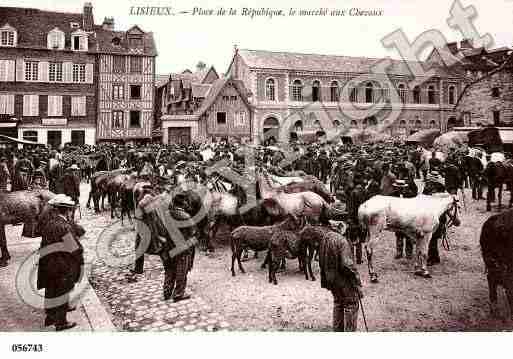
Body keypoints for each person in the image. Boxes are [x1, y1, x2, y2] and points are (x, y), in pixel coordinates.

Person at [37, 194, 85, 331]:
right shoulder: (64, 226)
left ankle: (50, 316)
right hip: (61, 264)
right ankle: (61, 322)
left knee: (51, 288)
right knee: (62, 291)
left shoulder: (49, 223)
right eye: (70, 210)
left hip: (48, 262)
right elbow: (74, 248)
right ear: (68, 211)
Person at [318, 229, 363, 332]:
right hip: (343, 280)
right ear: (340, 225)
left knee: (338, 303)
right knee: (351, 304)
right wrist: (357, 280)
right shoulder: (342, 241)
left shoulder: (325, 237)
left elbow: (320, 259)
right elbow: (347, 265)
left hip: (331, 279)